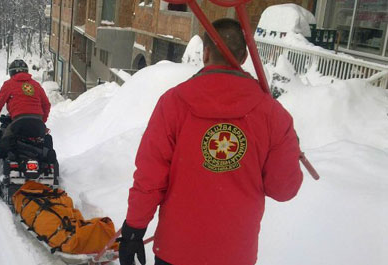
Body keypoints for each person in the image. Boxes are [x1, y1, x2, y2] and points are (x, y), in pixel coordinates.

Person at [118, 18, 303, 265]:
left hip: (176, 251)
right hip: (234, 254)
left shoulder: (173, 103)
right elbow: (284, 189)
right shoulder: (272, 113)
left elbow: (150, 177)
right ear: (245, 56)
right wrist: (291, 148)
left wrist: (134, 228)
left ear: (205, 54)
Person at [0, 59, 51, 138]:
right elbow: (46, 105)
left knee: (3, 142)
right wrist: (42, 120)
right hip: (38, 123)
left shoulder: (9, 84)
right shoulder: (36, 85)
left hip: (19, 122)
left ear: (11, 73)